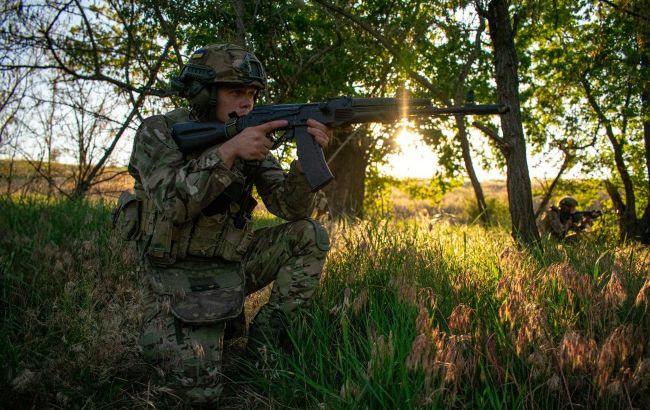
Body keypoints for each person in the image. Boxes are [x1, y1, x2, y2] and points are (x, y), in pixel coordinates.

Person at [116, 43, 331, 404]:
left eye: (251, 93)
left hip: (233, 264)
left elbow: (289, 208)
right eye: (235, 92)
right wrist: (228, 152)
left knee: (309, 234)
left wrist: (306, 158)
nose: (246, 102)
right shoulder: (159, 132)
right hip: (174, 275)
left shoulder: (250, 136)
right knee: (199, 397)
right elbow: (171, 203)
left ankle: (265, 342)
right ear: (203, 94)